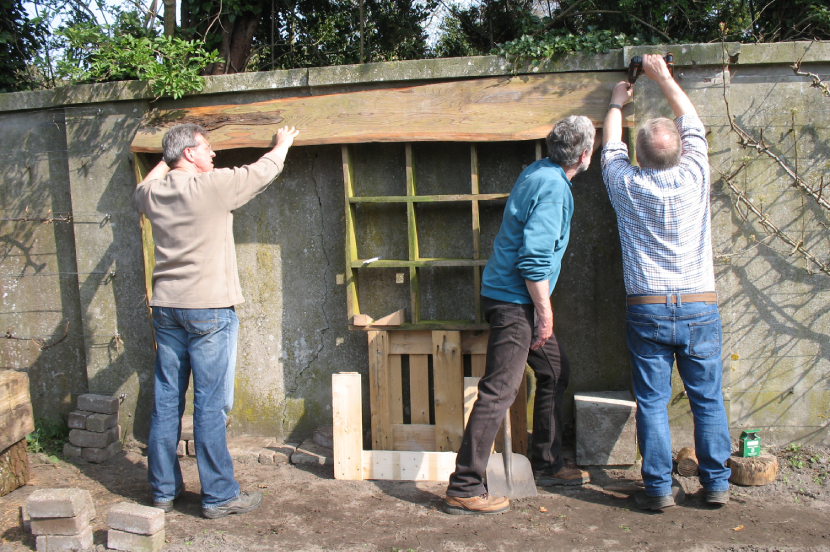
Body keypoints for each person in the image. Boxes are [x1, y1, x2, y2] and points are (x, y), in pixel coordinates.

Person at [134, 123, 299, 519]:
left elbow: (145, 185)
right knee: (210, 405)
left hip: (167, 310)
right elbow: (261, 171)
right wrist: (283, 143)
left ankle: (163, 492)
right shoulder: (212, 187)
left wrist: (168, 158)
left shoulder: (153, 194)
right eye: (207, 148)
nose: (214, 155)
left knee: (167, 401)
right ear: (189, 154)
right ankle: (219, 496)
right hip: (208, 310)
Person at [444, 116, 595, 515]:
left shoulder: (539, 170)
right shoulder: (554, 189)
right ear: (585, 154)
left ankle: (546, 463)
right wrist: (544, 314)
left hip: (510, 297)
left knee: (554, 371)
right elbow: (533, 261)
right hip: (515, 304)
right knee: (499, 391)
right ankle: (463, 485)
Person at [601, 54, 731, 511]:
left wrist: (617, 102)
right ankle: (715, 483)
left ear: (641, 155)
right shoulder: (697, 173)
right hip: (699, 304)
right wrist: (664, 76)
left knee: (653, 402)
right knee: (707, 399)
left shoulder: (626, 184)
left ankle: (658, 489)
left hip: (648, 306)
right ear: (680, 149)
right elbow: (691, 121)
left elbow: (609, 148)